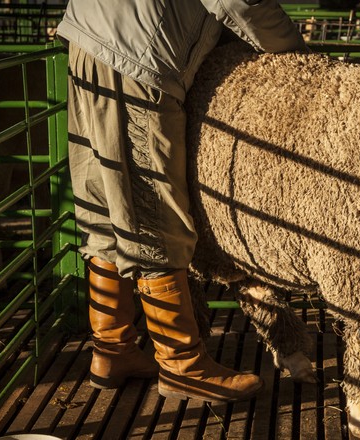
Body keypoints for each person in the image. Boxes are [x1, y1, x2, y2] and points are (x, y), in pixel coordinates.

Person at [55, 0, 307, 403]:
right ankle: (182, 365)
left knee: (104, 206)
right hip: (135, 56)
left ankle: (112, 349)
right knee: (153, 214)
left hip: (92, 40)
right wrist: (300, 60)